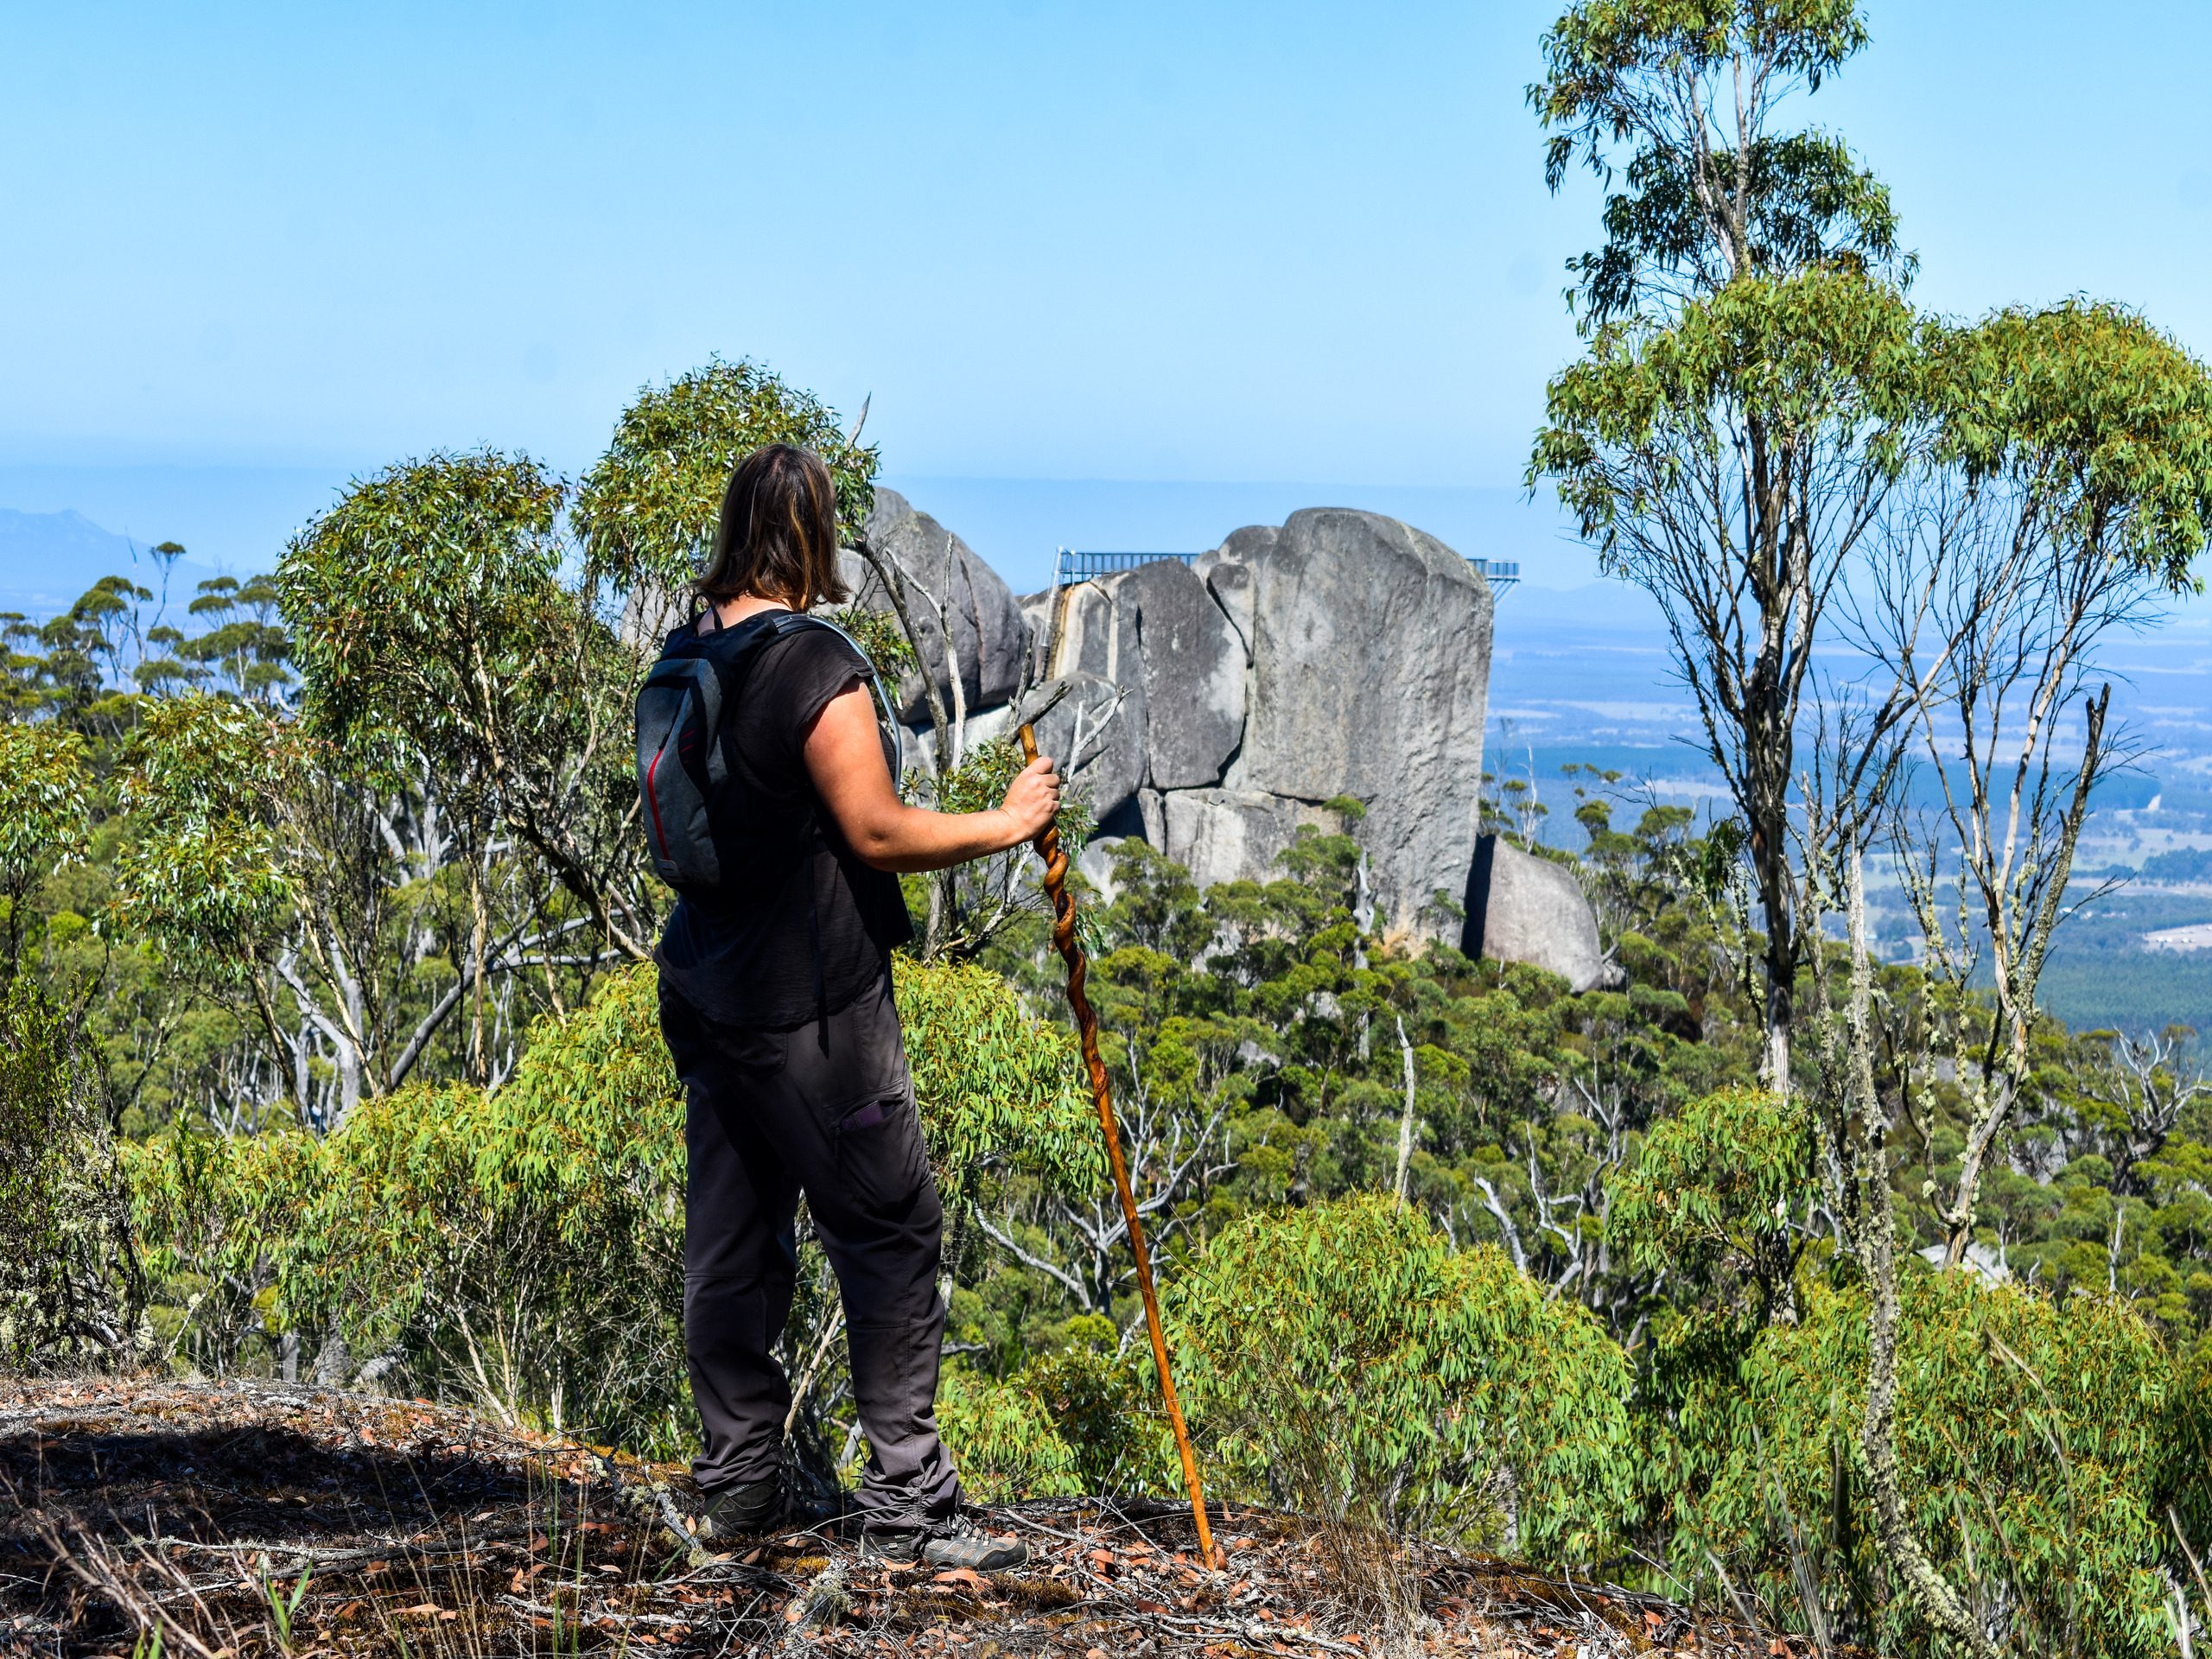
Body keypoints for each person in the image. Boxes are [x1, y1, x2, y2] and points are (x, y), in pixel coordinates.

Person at [651, 442, 1060, 1573]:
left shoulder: (690, 652)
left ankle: (738, 1486)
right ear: (816, 537)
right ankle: (913, 1509)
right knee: (887, 1234)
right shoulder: (812, 665)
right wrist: (1007, 824)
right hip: (812, 1015)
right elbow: (876, 829)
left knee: (734, 1245)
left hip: (707, 990)